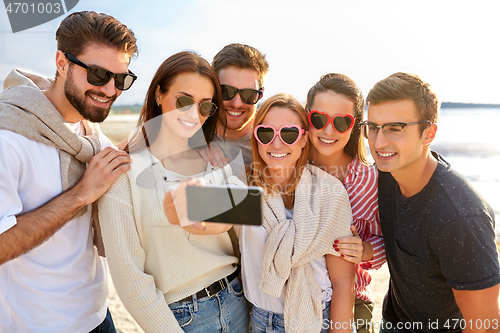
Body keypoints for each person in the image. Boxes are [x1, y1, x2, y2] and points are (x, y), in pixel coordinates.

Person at [0, 11, 137, 333]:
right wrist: (80, 195)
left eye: (121, 79)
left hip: (97, 315)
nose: (110, 90)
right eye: (98, 74)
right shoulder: (9, 139)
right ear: (62, 62)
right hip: (37, 324)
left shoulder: (88, 131)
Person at [98, 51, 249, 333]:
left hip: (238, 300)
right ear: (158, 94)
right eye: (183, 101)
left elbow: (246, 219)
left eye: (205, 106)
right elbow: (130, 279)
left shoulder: (214, 158)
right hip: (183, 318)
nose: (194, 115)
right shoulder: (124, 173)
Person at [361, 72, 500, 333]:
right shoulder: (386, 173)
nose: (378, 142)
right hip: (393, 323)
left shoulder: (460, 217)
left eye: (395, 128)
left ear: (429, 133)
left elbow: (486, 325)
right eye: (372, 127)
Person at [240, 93, 355, 333]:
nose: (277, 143)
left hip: (317, 318)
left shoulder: (328, 192)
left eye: (289, 133)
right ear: (257, 138)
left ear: (304, 139)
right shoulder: (245, 191)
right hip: (261, 321)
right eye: (266, 133)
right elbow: (189, 208)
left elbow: (344, 284)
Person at [305, 73, 385, 333]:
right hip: (294, 300)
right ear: (307, 116)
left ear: (355, 126)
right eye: (319, 119)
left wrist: (365, 250)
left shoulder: (371, 180)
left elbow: (388, 241)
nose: (328, 131)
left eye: (341, 122)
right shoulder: (290, 164)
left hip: (354, 304)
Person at [198, 43, 269, 169]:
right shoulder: (190, 129)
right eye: (226, 91)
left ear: (260, 95)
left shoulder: (273, 138)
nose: (236, 104)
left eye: (248, 94)